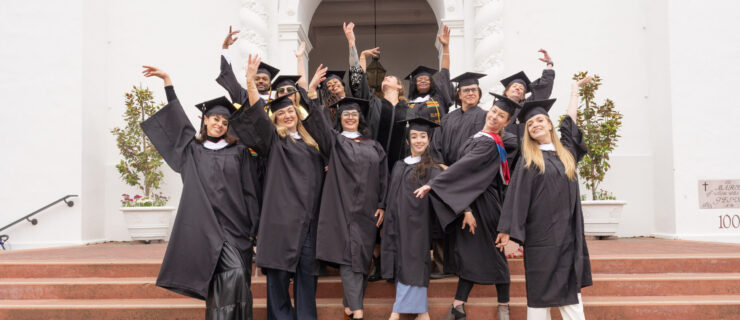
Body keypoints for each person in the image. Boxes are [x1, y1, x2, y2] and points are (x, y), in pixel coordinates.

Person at [140, 66, 258, 320]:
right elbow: (177, 120)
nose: (220, 124)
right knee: (221, 280)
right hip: (204, 227)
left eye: (225, 122)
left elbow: (250, 191)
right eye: (216, 119)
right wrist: (168, 83)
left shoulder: (238, 153)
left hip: (235, 228)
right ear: (205, 119)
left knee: (238, 276)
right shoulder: (192, 151)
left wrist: (255, 229)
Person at [228, 54, 324, 320]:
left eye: (290, 111)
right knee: (279, 282)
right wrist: (249, 83)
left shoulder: (313, 144)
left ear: (297, 113)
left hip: (307, 223)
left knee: (307, 279)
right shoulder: (273, 143)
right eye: (280, 113)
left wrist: (309, 87)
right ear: (276, 119)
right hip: (280, 223)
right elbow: (258, 117)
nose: (286, 115)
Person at [495, 78, 594, 320]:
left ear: (550, 124)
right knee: (539, 297)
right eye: (530, 124)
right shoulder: (530, 159)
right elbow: (517, 195)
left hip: (569, 236)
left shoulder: (566, 154)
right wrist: (508, 232)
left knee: (571, 295)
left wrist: (574, 91)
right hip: (541, 239)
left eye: (540, 120)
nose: (535, 125)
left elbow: (571, 122)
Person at [414, 96, 517, 320]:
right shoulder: (480, 138)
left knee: (496, 254)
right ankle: (458, 306)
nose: (494, 117)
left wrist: (434, 183)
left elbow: (464, 168)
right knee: (470, 254)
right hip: (472, 202)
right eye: (494, 112)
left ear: (506, 123)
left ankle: (503, 306)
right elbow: (467, 176)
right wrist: (466, 209)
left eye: (501, 116)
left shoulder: (491, 143)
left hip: (487, 206)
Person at [306, 96, 388, 320]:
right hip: (340, 207)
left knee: (361, 258)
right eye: (345, 114)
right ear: (339, 118)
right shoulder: (334, 141)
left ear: (359, 118)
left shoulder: (374, 145)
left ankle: (349, 306)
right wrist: (311, 95)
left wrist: (383, 204)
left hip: (368, 210)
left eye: (354, 114)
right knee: (349, 258)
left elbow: (383, 177)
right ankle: (358, 312)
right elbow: (317, 124)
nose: (350, 117)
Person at [381, 115, 458, 320]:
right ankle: (421, 313)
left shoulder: (432, 167)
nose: (418, 140)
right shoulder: (399, 165)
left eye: (423, 136)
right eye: (413, 136)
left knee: (413, 264)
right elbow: (389, 193)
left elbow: (447, 189)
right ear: (407, 141)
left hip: (417, 225)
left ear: (429, 139)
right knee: (402, 263)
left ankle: (399, 312)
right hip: (396, 223)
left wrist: (466, 210)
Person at [405, 25, 455, 124]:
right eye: (419, 80)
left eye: (426, 79)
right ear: (414, 85)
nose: (423, 81)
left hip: (438, 138)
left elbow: (444, 72)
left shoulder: (438, 97)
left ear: (431, 83)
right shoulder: (409, 104)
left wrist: (445, 47)